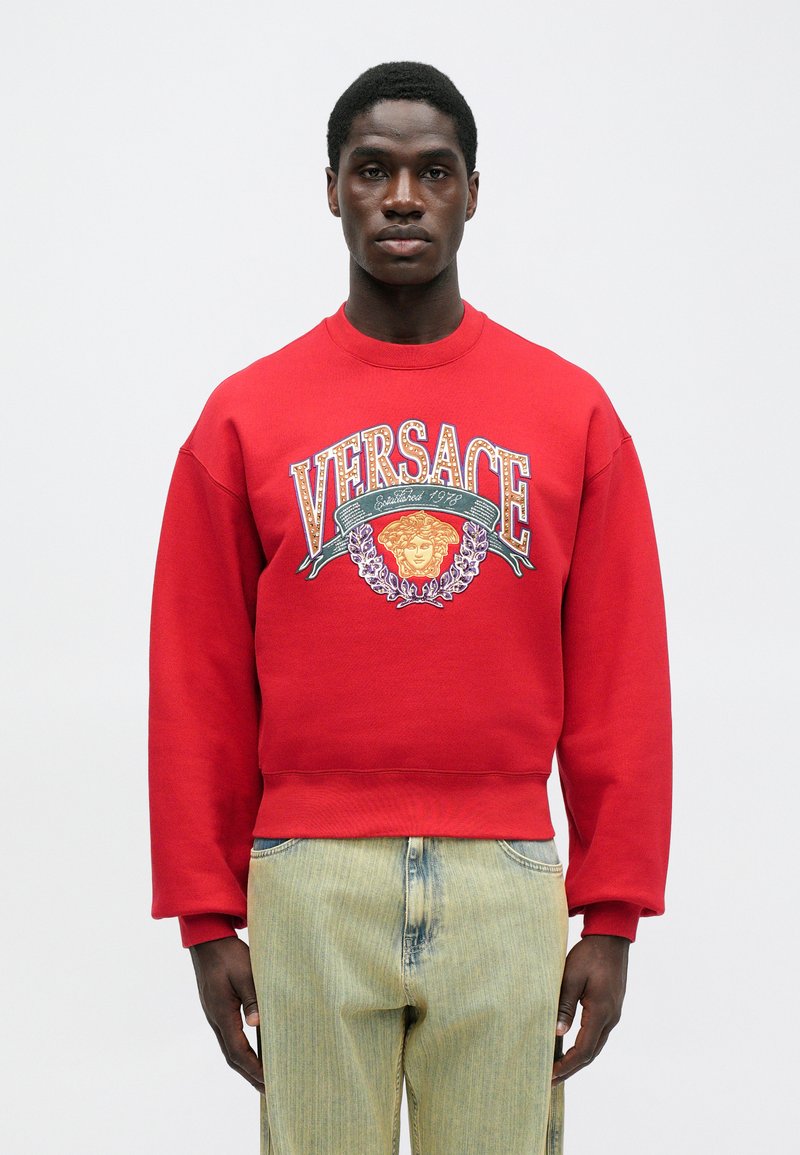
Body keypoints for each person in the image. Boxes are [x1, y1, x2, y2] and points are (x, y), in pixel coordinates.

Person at [148, 60, 672, 1154]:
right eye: (372, 169)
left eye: (432, 172)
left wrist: (612, 910)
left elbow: (620, 675)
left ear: (472, 192)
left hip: (506, 879)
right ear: (330, 189)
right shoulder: (244, 418)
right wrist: (206, 913)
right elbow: (197, 680)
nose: (401, 197)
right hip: (307, 875)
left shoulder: (571, 414)